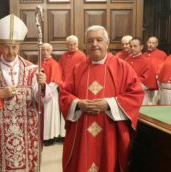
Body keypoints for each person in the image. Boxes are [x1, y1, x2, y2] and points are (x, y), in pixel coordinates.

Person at [59, 25, 144, 172]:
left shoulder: (122, 67)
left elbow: (135, 94)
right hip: (82, 129)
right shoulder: (77, 68)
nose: (94, 44)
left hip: (110, 130)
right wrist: (78, 103)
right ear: (85, 45)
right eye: (90, 41)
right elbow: (64, 94)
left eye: (99, 40)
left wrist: (109, 103)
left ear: (107, 42)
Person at [0, 14, 52, 171]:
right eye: (6, 47)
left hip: (26, 133)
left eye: (14, 47)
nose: (10, 51)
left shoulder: (32, 70)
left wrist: (43, 86)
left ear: (19, 46)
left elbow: (43, 100)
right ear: (0, 46)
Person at [126, 38, 158, 105]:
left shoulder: (147, 61)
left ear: (141, 47)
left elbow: (147, 80)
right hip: (126, 95)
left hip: (140, 94)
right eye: (131, 46)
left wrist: (131, 85)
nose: (132, 48)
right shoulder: (126, 61)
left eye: (135, 46)